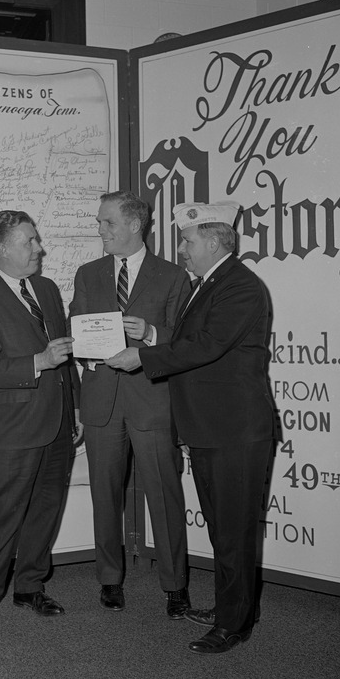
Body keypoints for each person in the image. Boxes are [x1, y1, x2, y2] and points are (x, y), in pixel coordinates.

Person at [106, 201, 275, 654]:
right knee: (224, 528)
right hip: (211, 428)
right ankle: (234, 608)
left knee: (233, 530)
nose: (181, 249)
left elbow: (207, 345)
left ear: (216, 241)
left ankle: (233, 625)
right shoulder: (211, 284)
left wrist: (141, 356)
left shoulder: (239, 287)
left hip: (235, 431)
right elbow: (188, 342)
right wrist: (152, 338)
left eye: (188, 240)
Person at [69, 190, 192, 618]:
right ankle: (109, 579)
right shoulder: (88, 274)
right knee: (104, 495)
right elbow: (78, 329)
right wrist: (82, 351)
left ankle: (176, 586)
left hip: (152, 400)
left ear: (135, 225)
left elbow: (187, 341)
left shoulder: (173, 276)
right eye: (100, 222)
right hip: (101, 398)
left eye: (107, 223)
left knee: (165, 495)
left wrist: (153, 334)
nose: (99, 230)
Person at [0, 209, 83, 633]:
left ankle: (30, 586)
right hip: (12, 428)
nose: (38, 247)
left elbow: (64, 355)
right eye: (29, 241)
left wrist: (77, 406)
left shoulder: (47, 290)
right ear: (2, 249)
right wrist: (38, 361)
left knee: (46, 508)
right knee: (3, 512)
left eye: (36, 239)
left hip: (59, 421)